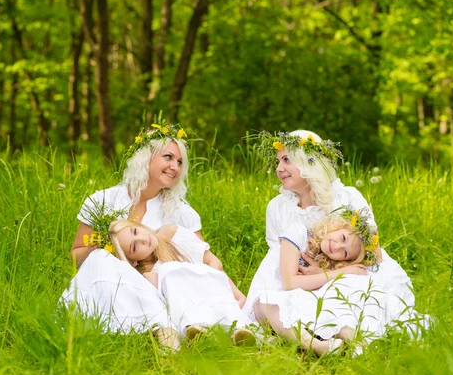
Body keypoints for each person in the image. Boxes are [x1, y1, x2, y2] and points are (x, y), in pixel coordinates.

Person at [243, 130, 424, 348]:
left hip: (348, 274)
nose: (279, 169)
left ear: (308, 162)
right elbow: (277, 259)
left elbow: (372, 252)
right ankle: (320, 338)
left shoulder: (346, 197)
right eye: (278, 161)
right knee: (269, 304)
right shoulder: (278, 207)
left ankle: (342, 334)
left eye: (287, 160)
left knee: (356, 300)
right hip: (296, 278)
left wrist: (326, 273)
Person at [70, 123, 213, 268]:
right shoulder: (102, 201)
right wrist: (94, 250)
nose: (175, 167)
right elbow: (75, 258)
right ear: (146, 156)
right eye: (168, 157)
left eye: (180, 162)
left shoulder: (181, 213)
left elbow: (206, 262)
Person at [255, 208, 384, 356]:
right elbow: (289, 284)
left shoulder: (330, 262)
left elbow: (377, 261)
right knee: (267, 303)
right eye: (343, 238)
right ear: (339, 226)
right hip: (275, 301)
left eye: (345, 253)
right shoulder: (298, 233)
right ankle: (317, 346)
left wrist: (326, 274)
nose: (336, 247)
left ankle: (355, 340)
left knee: (337, 296)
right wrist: (335, 273)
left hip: (304, 305)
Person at [108, 219, 255, 346]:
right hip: (187, 308)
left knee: (173, 271)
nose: (142, 239)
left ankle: (237, 333)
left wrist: (200, 282)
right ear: (133, 261)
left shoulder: (173, 238)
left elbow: (213, 262)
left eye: (135, 231)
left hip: (211, 287)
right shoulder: (147, 277)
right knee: (169, 276)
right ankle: (200, 333)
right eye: (134, 247)